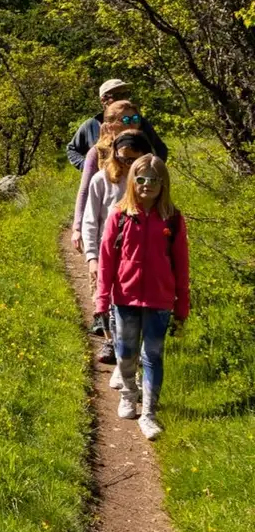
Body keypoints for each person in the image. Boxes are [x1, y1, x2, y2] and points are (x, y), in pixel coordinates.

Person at [94, 155, 189, 441]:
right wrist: (101, 302)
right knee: (125, 352)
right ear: (132, 181)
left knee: (153, 356)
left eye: (154, 180)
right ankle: (128, 392)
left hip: (160, 301)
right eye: (141, 179)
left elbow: (181, 265)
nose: (147, 185)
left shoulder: (173, 218)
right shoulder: (119, 215)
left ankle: (148, 413)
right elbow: (106, 261)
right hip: (125, 297)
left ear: (164, 183)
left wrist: (182, 304)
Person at [82, 131, 152, 364]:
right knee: (106, 302)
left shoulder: (149, 184)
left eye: (133, 160)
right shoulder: (101, 180)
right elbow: (90, 220)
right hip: (107, 252)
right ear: (114, 155)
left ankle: (132, 350)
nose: (127, 164)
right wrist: (92, 256)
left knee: (128, 307)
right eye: (122, 158)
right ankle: (111, 342)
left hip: (138, 256)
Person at [72, 99, 142, 255]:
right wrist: (77, 227)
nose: (132, 124)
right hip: (107, 236)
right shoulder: (97, 153)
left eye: (135, 119)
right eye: (126, 120)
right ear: (110, 125)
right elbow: (85, 190)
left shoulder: (144, 149)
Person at [67, 79, 167, 170]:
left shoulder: (138, 121)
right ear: (103, 100)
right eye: (118, 96)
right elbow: (72, 149)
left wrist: (153, 169)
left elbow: (160, 148)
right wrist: (87, 165)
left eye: (126, 94)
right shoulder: (91, 125)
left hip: (137, 184)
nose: (124, 99)